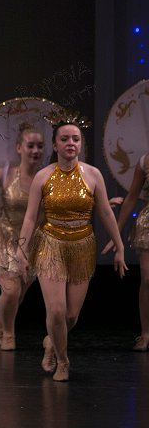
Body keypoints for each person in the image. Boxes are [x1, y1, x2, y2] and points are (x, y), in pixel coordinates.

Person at [18, 111, 127, 381]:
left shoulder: (93, 175)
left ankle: (51, 342)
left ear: (80, 144)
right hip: (50, 243)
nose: (70, 143)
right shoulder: (43, 176)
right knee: (56, 310)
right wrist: (21, 251)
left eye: (75, 139)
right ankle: (63, 361)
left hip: (81, 246)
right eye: (64, 139)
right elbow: (30, 217)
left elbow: (105, 212)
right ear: (55, 145)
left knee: (71, 316)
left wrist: (119, 245)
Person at [0, 122, 45, 350]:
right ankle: (8, 333)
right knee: (11, 292)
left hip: (33, 242)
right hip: (4, 239)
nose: (35, 150)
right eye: (30, 145)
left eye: (40, 146)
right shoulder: (5, 173)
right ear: (19, 148)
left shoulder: (46, 178)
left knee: (19, 294)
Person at [104, 152, 149, 351]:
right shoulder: (145, 160)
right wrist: (117, 233)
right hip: (148, 224)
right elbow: (131, 197)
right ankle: (146, 333)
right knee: (147, 279)